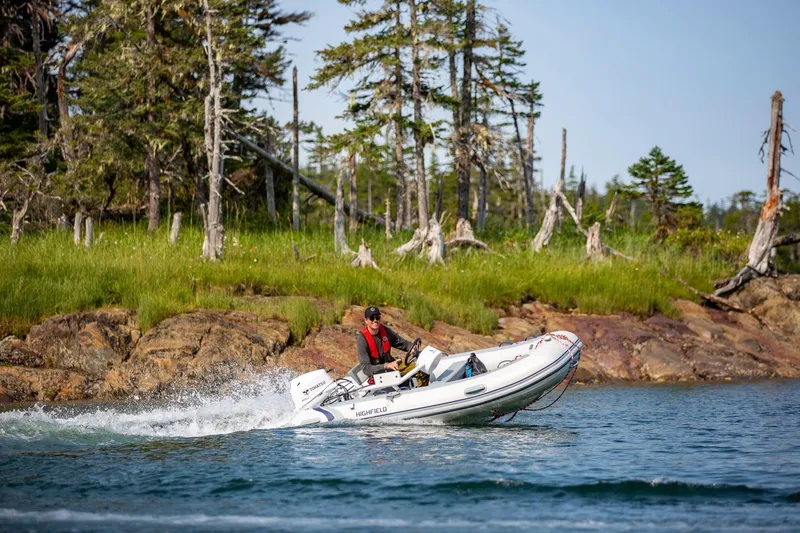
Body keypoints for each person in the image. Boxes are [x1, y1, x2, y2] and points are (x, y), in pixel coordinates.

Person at [356, 306, 414, 380]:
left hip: (393, 366)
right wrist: (386, 366)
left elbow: (402, 343)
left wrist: (412, 348)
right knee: (409, 378)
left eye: (377, 317)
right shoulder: (362, 340)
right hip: (378, 375)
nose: (375, 320)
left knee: (419, 370)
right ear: (366, 320)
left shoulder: (385, 331)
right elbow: (366, 369)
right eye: (371, 318)